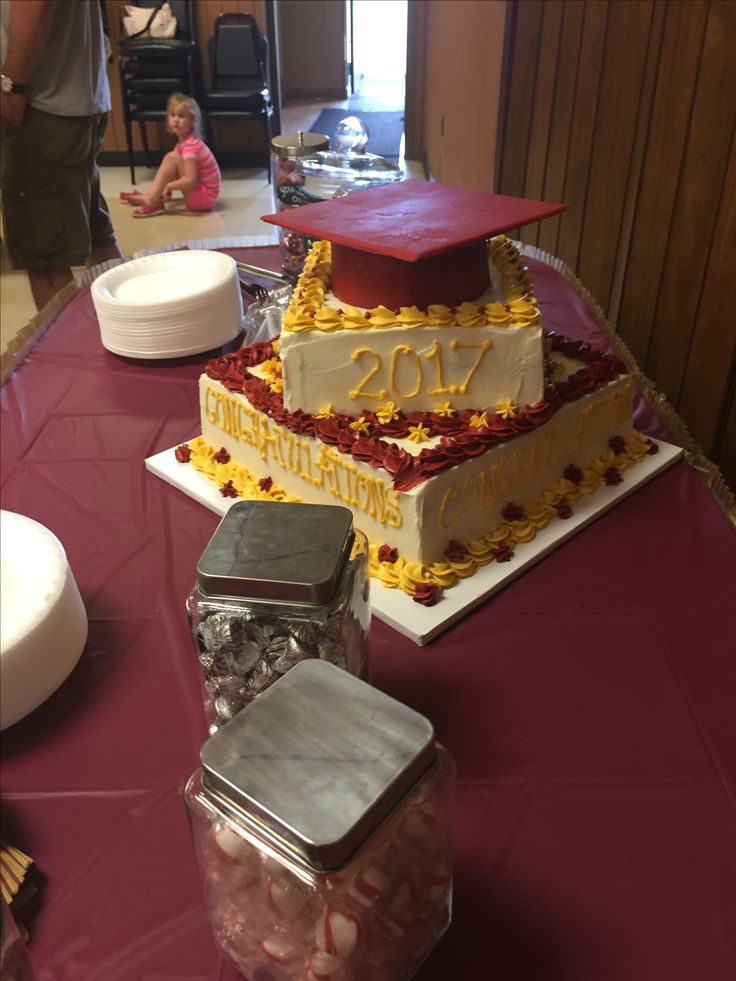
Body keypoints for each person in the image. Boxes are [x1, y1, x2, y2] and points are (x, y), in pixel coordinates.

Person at [0, 0, 122, 311]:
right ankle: (132, 339)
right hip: (71, 96)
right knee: (95, 235)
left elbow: (34, 4)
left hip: (38, 102)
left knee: (46, 256)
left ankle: (70, 359)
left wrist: (12, 86)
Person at [120, 93, 221, 218]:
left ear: (192, 122)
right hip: (204, 195)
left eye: (182, 116)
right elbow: (172, 171)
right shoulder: (185, 143)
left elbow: (190, 179)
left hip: (204, 199)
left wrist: (169, 186)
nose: (176, 120)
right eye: (172, 115)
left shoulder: (190, 147)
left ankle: (152, 199)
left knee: (171, 157)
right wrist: (163, 190)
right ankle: (151, 196)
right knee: (173, 157)